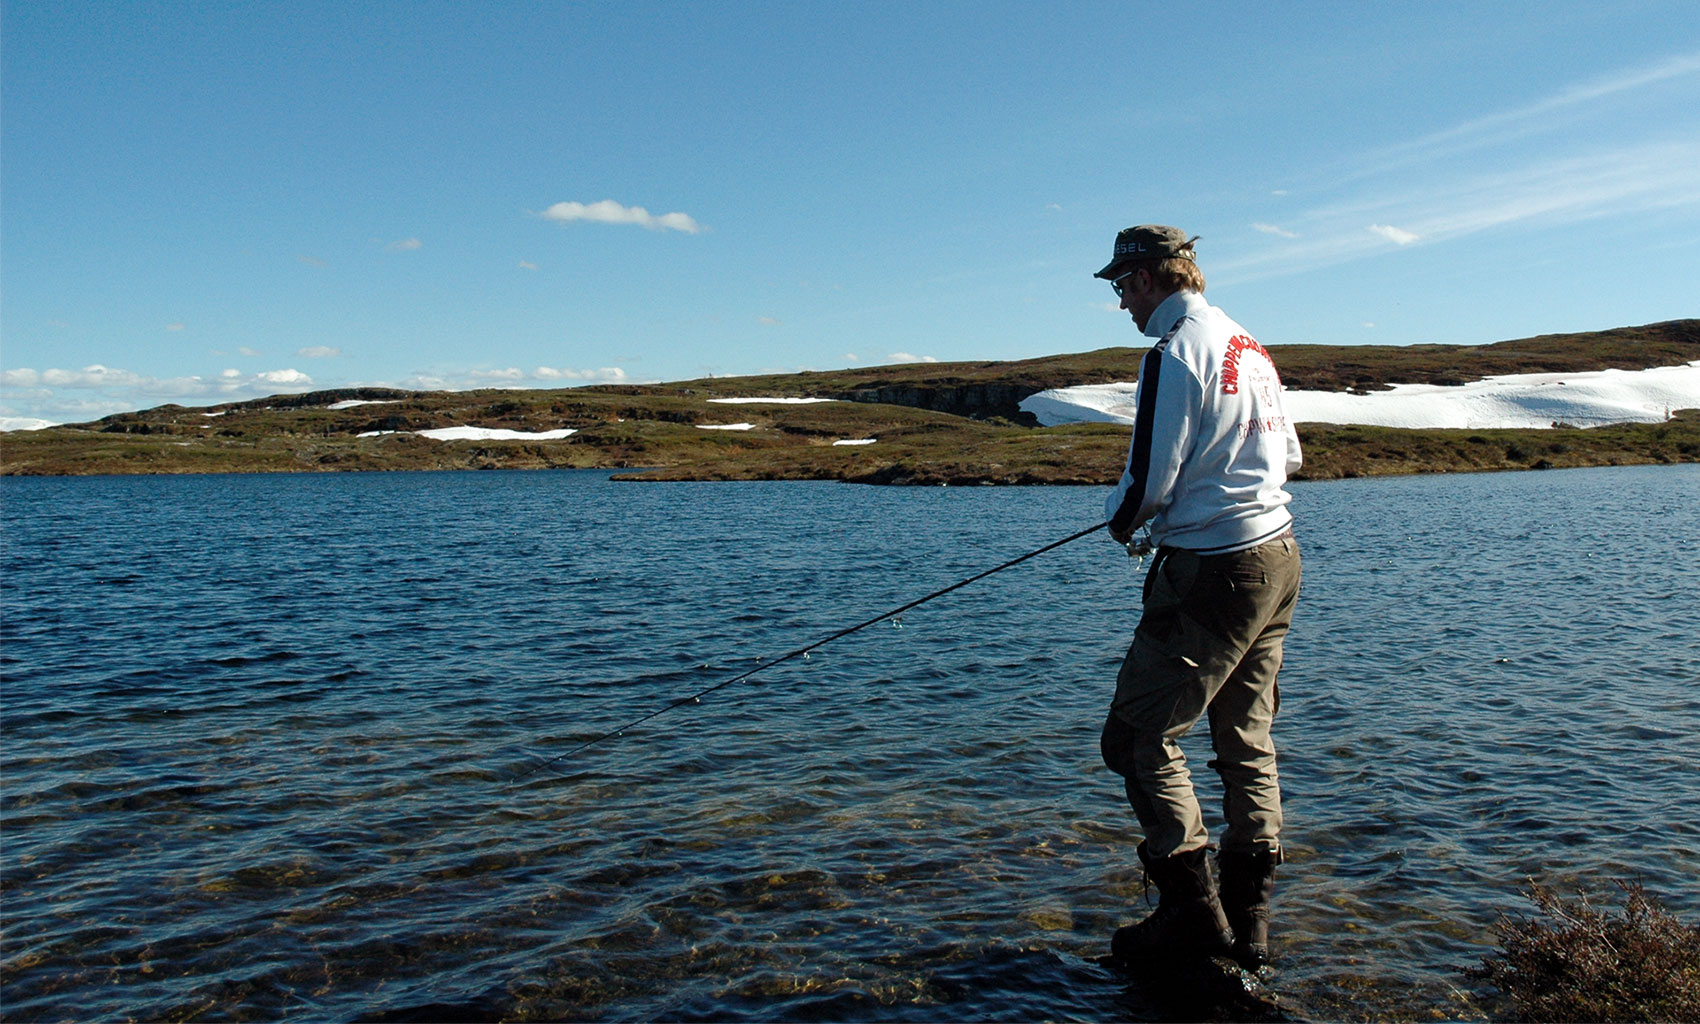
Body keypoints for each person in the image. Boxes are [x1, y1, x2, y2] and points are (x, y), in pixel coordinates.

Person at [1093, 224, 1302, 970]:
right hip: (1278, 557)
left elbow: (1147, 482)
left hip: (1216, 569)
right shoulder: (1247, 342)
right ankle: (1251, 931)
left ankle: (1195, 925)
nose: (1120, 301)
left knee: (1138, 739)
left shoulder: (1176, 351)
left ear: (1149, 278)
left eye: (1122, 286)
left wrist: (1121, 525)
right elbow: (1292, 455)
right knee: (1245, 737)